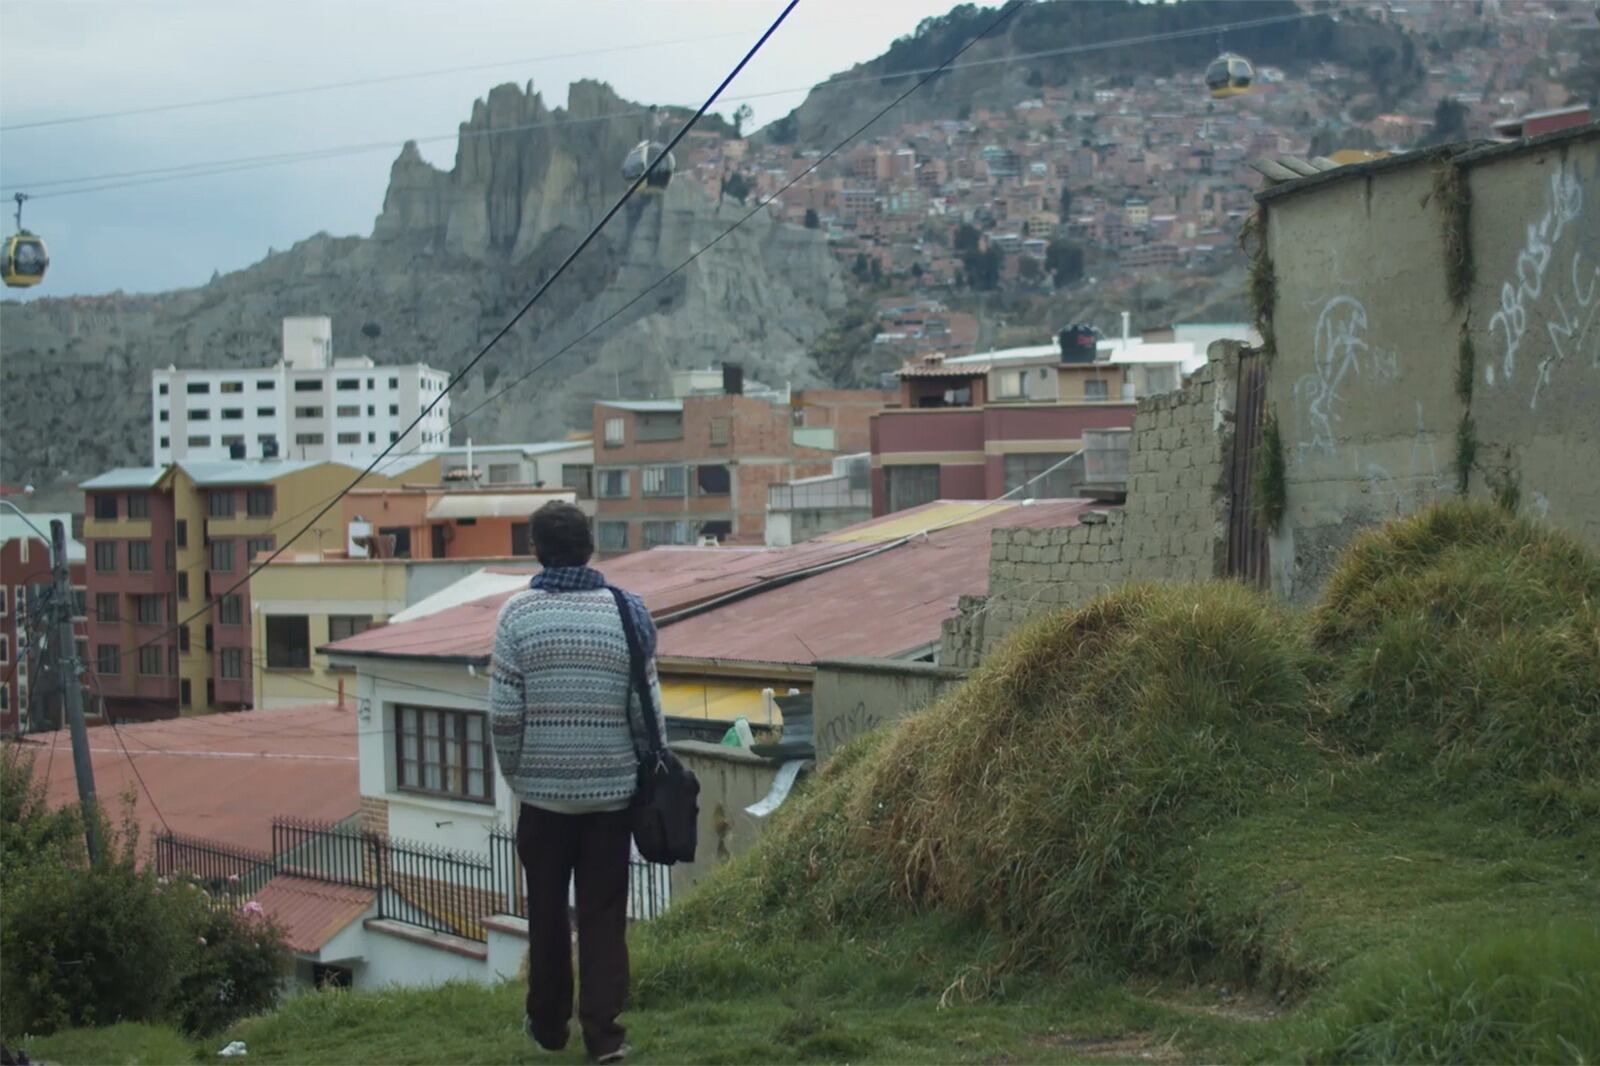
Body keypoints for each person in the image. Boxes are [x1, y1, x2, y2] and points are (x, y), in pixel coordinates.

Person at [490, 501, 662, 1063]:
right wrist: (637, 773)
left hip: (541, 799)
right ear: (590, 547)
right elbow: (648, 712)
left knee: (545, 912)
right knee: (603, 916)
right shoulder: (626, 610)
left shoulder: (516, 615)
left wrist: (520, 774)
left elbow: (504, 715)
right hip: (610, 798)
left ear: (538, 549)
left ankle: (547, 1025)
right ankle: (604, 1034)